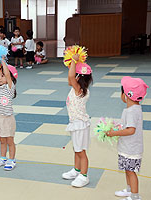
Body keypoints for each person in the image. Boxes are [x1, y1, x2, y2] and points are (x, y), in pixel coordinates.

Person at [107, 77, 148, 200]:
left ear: (126, 95)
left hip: (132, 149)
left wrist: (114, 133)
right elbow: (127, 126)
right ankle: (129, 190)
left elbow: (131, 130)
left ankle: (135, 196)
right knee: (127, 169)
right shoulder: (133, 109)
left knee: (131, 171)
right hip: (127, 147)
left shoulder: (131, 111)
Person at [62, 54, 93, 188]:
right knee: (77, 149)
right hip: (76, 124)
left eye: (75, 75)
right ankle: (76, 170)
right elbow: (70, 77)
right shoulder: (78, 89)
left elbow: (70, 77)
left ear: (78, 78)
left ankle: (84, 176)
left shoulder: (79, 90)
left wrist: (74, 61)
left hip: (80, 125)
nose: (71, 77)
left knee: (81, 151)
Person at [0, 59, 18, 171]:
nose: (0, 77)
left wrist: (2, 60)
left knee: (10, 140)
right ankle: (3, 157)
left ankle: (12, 159)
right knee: (2, 140)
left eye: (2, 76)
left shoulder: (9, 87)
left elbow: (7, 73)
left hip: (7, 119)